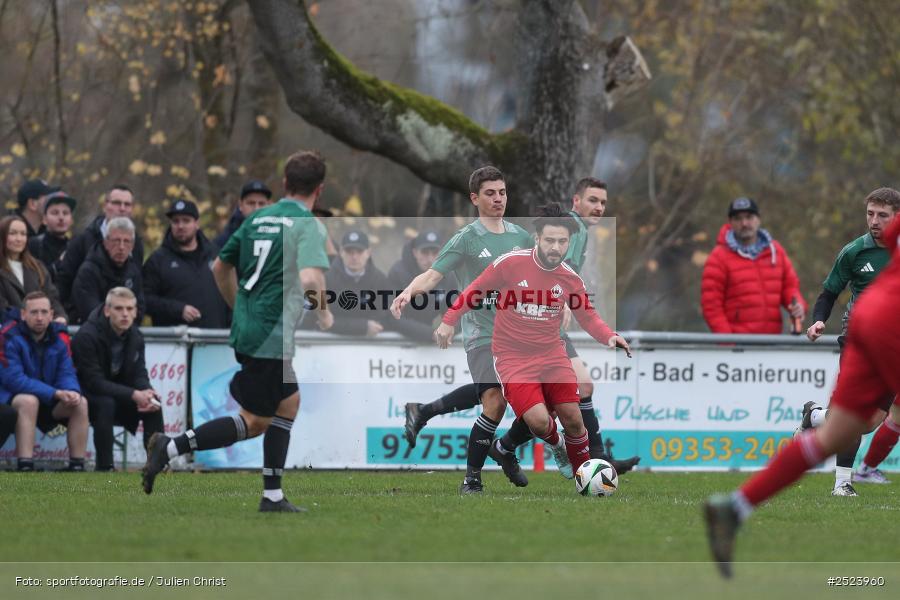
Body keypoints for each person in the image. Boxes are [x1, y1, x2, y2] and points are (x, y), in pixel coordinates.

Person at [704, 215, 900, 579]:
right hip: (891, 322)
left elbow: (891, 236)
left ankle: (735, 506)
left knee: (838, 433)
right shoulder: (858, 249)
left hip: (871, 318)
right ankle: (848, 473)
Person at [141, 150, 333, 513]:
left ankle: (273, 496)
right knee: (255, 420)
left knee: (288, 403)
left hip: (253, 328)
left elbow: (219, 266)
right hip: (270, 335)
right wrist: (324, 313)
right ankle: (170, 446)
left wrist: (238, 307)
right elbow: (311, 278)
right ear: (319, 190)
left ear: (284, 183)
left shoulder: (258, 217)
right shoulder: (308, 224)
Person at [436, 202, 632, 479]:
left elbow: (588, 316)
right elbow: (474, 291)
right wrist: (449, 320)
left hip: (552, 354)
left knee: (574, 418)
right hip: (512, 357)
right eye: (550, 240)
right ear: (537, 238)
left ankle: (584, 480)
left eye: (562, 242)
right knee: (539, 422)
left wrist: (609, 336)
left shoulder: (570, 279)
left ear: (569, 243)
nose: (555, 247)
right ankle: (558, 445)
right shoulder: (511, 264)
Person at [391, 166, 536, 494]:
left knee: (535, 403)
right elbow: (432, 275)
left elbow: (541, 277)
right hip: (481, 334)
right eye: (490, 193)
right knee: (494, 401)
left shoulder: (522, 237)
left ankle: (500, 446)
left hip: (520, 335)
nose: (498, 199)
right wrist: (407, 293)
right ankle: (472, 479)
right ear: (474, 198)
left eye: (502, 192)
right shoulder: (466, 239)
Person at [796, 187, 900, 495]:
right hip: (859, 338)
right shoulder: (854, 251)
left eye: (882, 215)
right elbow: (829, 293)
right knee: (854, 413)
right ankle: (843, 483)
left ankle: (814, 415)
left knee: (869, 422)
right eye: (870, 214)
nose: (874, 221)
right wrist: (818, 320)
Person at [72, 287, 163, 472]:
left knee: (153, 404)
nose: (125, 314)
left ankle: (157, 465)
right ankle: (106, 467)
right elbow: (93, 382)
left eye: (129, 309)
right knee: (106, 404)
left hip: (119, 394)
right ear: (107, 311)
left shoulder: (136, 336)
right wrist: (133, 394)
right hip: (86, 395)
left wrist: (147, 391)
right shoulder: (86, 335)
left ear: (136, 312)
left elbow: (139, 373)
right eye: (119, 308)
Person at [0, 292, 88, 471]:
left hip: (50, 398)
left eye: (44, 312)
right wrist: (55, 393)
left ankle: (77, 465)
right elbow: (14, 380)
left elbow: (67, 371)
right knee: (29, 401)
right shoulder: (8, 336)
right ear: (23, 314)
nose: (39, 318)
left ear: (51, 315)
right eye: (34, 312)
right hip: (15, 399)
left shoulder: (60, 337)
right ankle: (25, 464)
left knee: (80, 403)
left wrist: (71, 390)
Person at [701, 197, 806, 334]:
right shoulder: (718, 257)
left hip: (772, 341)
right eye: (738, 218)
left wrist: (798, 305)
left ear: (758, 219)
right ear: (730, 222)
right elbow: (711, 307)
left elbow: (790, 287)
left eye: (749, 217)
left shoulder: (776, 251)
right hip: (738, 343)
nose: (744, 223)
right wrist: (728, 342)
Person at [142, 199, 229, 328]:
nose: (180, 226)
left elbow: (231, 294)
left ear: (197, 224)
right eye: (175, 221)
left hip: (215, 337)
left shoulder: (216, 255)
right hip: (174, 338)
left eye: (186, 220)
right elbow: (144, 300)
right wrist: (177, 309)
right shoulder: (157, 260)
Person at [56, 184, 144, 310]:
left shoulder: (137, 244)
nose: (122, 208)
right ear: (105, 206)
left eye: (127, 204)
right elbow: (64, 284)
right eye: (117, 203)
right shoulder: (82, 240)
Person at [386, 230, 458, 343]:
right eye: (424, 252)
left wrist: (446, 330)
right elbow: (392, 317)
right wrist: (430, 334)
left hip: (429, 338)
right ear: (415, 252)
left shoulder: (448, 275)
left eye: (435, 253)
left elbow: (457, 314)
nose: (430, 259)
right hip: (396, 340)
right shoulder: (398, 273)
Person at [71, 217, 145, 323]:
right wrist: (121, 318)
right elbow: (90, 311)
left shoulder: (133, 272)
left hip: (127, 330)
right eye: (116, 241)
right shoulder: (88, 271)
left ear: (132, 246)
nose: (121, 247)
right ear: (106, 242)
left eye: (126, 241)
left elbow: (140, 309)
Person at [324, 230, 391, 337]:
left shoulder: (379, 280)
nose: (354, 257)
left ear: (368, 253)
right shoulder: (327, 279)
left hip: (371, 344)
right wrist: (362, 327)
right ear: (341, 252)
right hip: (331, 343)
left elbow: (385, 318)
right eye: (349, 251)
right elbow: (319, 319)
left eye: (359, 252)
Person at [0, 216, 67, 322]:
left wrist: (60, 317)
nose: (19, 239)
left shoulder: (37, 267)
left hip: (40, 328)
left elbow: (52, 298)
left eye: (23, 234)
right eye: (12, 233)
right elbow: (3, 309)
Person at [28, 191, 76, 282]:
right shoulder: (34, 245)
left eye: (65, 213)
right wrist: (58, 265)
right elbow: (32, 280)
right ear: (44, 219)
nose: (61, 217)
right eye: (55, 213)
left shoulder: (75, 247)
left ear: (71, 220)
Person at [213, 180, 273, 249]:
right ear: (240, 205)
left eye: (261, 204)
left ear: (269, 205)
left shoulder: (278, 235)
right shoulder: (226, 240)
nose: (256, 208)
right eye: (251, 203)